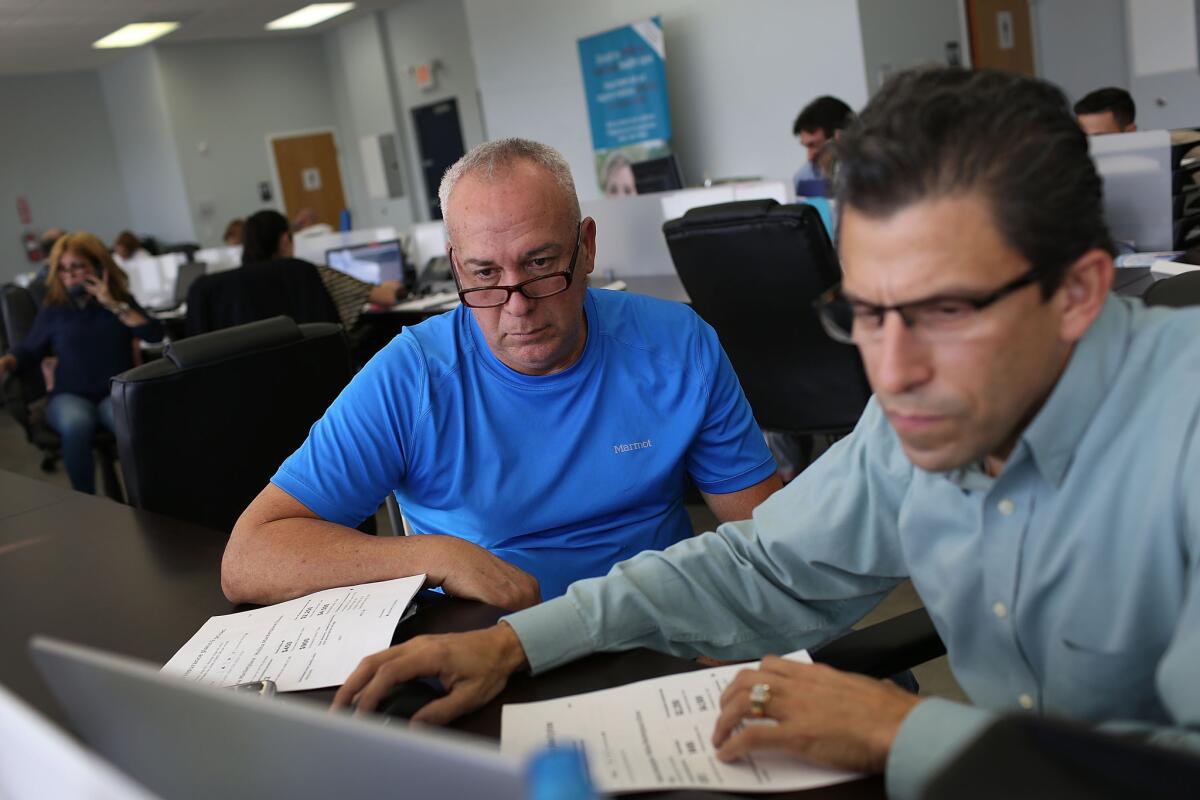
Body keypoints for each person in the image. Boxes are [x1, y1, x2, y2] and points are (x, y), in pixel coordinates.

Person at [333, 69, 1200, 800]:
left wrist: (905, 731)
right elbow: (761, 559)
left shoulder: (1182, 432)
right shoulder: (925, 418)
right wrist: (516, 641)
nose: (892, 373)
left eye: (946, 311)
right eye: (865, 313)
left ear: (1082, 293)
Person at [221, 138, 781, 608]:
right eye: (485, 273)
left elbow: (765, 542)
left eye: (539, 264)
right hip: (487, 647)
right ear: (456, 266)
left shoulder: (678, 346)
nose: (516, 305)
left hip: (654, 632)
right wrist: (432, 555)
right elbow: (250, 555)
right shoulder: (414, 375)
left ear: (586, 248)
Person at [0, 232, 164, 493]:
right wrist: (7, 361)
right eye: (63, 269)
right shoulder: (55, 308)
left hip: (113, 392)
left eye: (77, 267)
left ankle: (147, 500)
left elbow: (154, 334)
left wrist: (113, 304)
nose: (70, 275)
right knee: (77, 424)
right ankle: (85, 502)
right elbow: (30, 349)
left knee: (131, 430)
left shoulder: (117, 302)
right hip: (69, 395)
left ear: (98, 266)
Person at [238, 210, 405, 331]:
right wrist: (393, 287)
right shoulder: (308, 273)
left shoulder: (236, 287)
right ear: (284, 240)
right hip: (321, 364)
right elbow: (387, 297)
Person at [792, 95, 854, 189]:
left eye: (814, 145)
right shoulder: (803, 179)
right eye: (807, 146)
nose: (809, 157)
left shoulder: (875, 174)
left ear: (841, 138)